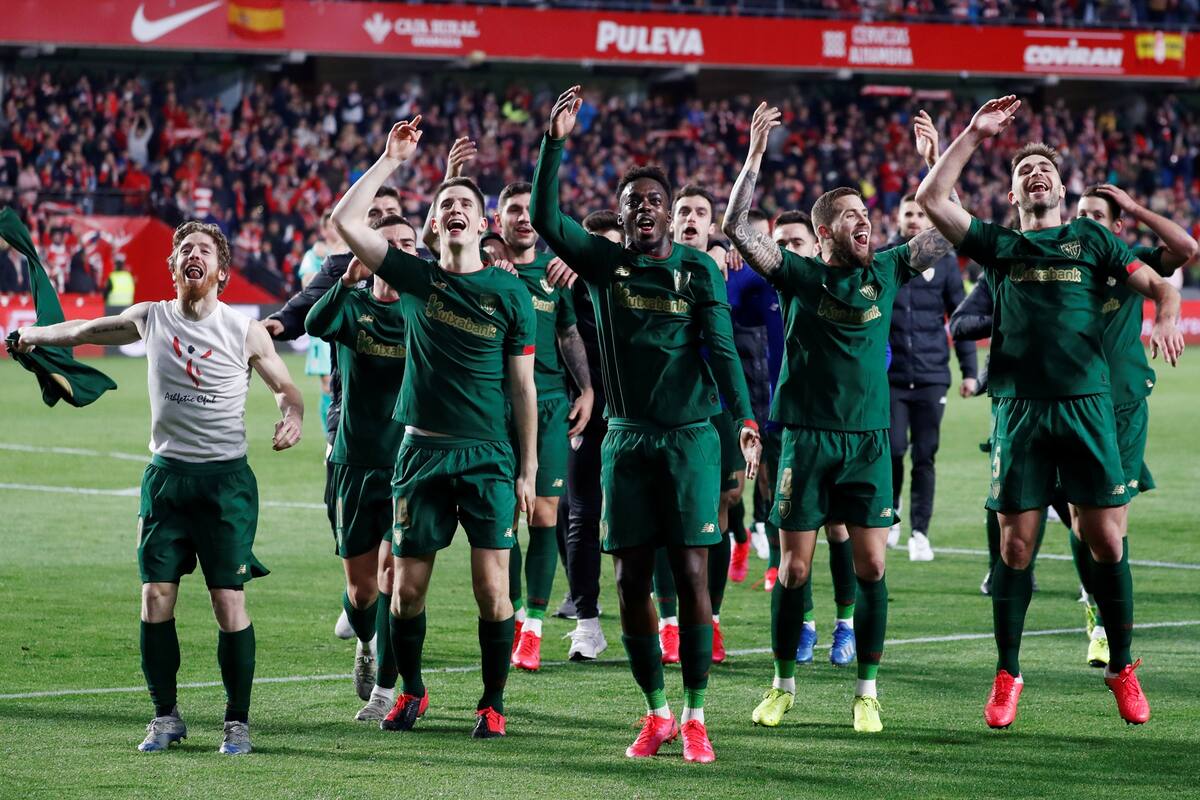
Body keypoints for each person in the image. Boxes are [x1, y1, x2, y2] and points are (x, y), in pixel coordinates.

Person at [915, 95, 1184, 728]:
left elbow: (1162, 281)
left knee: (1107, 540)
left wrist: (1169, 313)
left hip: (1089, 409)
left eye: (1045, 170)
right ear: (1012, 195)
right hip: (1021, 413)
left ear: (1061, 187)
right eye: (1023, 173)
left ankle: (1122, 668)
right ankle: (1008, 675)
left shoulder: (1092, 238)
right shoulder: (1000, 247)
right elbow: (931, 199)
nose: (1036, 175)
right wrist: (975, 134)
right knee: (1015, 547)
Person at [15, 221, 304, 755]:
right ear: (173, 267)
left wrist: (293, 414)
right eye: (184, 250)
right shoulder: (151, 317)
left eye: (204, 250)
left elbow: (286, 389)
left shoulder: (244, 330)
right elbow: (83, 330)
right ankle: (165, 716)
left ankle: (237, 722)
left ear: (221, 270)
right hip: (167, 479)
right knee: (155, 597)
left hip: (225, 483)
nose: (193, 256)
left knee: (228, 601)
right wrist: (32, 335)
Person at [532, 86, 760, 764]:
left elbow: (720, 347)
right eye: (632, 203)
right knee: (630, 580)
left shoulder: (697, 271)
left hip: (691, 437)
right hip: (625, 439)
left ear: (668, 213)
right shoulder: (604, 265)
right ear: (624, 218)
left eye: (653, 201)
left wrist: (743, 418)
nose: (643, 211)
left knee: (690, 576)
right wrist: (555, 143)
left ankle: (695, 715)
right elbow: (546, 215)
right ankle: (655, 713)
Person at [725, 102, 957, 734]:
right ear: (825, 233)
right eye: (851, 215)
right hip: (803, 437)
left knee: (872, 567)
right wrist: (753, 156)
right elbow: (735, 226)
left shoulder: (887, 269)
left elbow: (950, 229)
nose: (866, 221)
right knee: (795, 568)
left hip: (868, 443)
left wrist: (933, 163)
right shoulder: (797, 275)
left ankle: (867, 692)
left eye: (866, 213)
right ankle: (782, 685)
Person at [331, 116, 538, 739]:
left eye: (464, 204)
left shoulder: (510, 292)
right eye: (445, 200)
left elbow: (521, 387)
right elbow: (344, 224)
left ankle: (492, 702)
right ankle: (412, 692)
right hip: (419, 453)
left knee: (492, 589)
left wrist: (527, 470)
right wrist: (391, 161)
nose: (454, 208)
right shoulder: (413, 276)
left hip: (487, 458)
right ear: (434, 222)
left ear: (483, 224)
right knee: (406, 593)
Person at [262, 186, 402, 643]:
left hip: (407, 434)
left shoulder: (421, 272)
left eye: (390, 214)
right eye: (373, 214)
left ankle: (385, 654)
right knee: (356, 556)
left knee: (396, 561)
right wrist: (279, 323)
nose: (381, 222)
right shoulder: (343, 268)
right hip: (349, 422)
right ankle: (359, 603)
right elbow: (307, 307)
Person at [1070, 184, 1196, 667]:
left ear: (1117, 225)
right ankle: (1093, 604)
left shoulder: (1131, 260)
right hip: (1069, 406)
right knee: (1082, 521)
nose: (1087, 223)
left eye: (1098, 216)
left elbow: (1186, 250)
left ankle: (1104, 625)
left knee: (1111, 523)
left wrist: (1138, 209)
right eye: (1081, 214)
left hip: (1121, 408)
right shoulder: (1062, 263)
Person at [303, 216, 419, 721]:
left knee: (397, 577)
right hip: (353, 461)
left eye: (407, 245)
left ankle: (385, 694)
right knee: (362, 588)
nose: (396, 252)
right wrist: (345, 282)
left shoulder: (424, 311)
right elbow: (311, 325)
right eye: (386, 244)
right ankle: (367, 644)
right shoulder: (352, 308)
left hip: (408, 464)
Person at [489, 180, 594, 672]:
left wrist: (588, 389)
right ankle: (508, 618)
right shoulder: (486, 269)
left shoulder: (556, 273)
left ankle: (531, 629)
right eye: (513, 210)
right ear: (499, 221)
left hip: (551, 403)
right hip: (495, 407)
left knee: (545, 515)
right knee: (504, 517)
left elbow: (569, 333)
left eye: (529, 210)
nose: (523, 218)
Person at [649, 183, 749, 665]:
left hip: (717, 406)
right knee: (667, 515)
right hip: (665, 407)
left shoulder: (727, 270)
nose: (690, 217)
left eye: (700, 212)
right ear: (671, 219)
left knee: (724, 505)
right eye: (683, 210)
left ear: (712, 224)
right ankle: (670, 623)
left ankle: (710, 620)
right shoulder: (651, 264)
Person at [885, 120, 979, 562]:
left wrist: (970, 373)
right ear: (898, 220)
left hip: (931, 376)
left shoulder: (944, 264)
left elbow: (960, 318)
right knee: (894, 450)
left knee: (925, 455)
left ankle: (920, 532)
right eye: (908, 214)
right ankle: (893, 512)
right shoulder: (883, 259)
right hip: (889, 376)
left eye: (921, 213)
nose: (914, 219)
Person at [560, 209, 622, 662]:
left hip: (638, 417)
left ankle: (668, 623)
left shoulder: (636, 282)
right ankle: (587, 623)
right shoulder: (566, 284)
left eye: (609, 244)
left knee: (642, 521)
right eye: (591, 243)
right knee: (580, 515)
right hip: (586, 415)